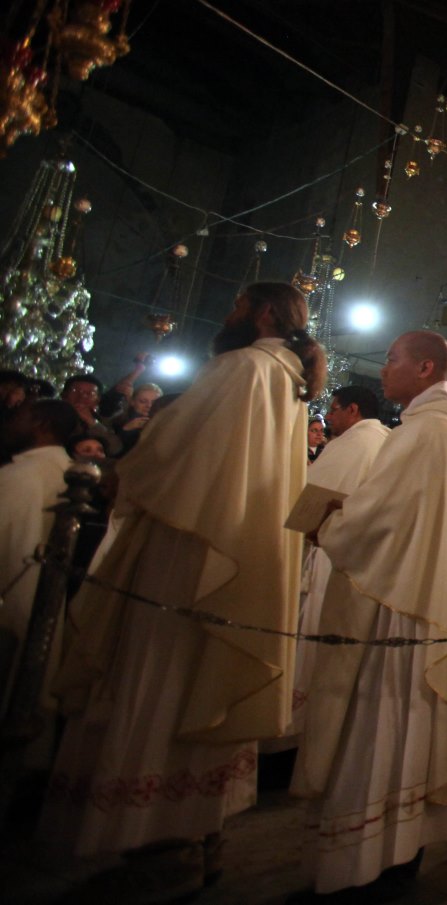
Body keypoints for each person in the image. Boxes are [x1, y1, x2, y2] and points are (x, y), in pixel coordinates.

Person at [42, 282, 325, 901]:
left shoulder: (245, 368)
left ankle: (160, 845)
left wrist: (123, 469)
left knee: (164, 682)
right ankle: (198, 834)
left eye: (239, 304)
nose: (230, 313)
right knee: (197, 683)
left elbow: (172, 451)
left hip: (190, 550)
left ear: (265, 313)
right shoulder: (285, 379)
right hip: (224, 547)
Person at [293, 332, 447, 896]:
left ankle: (361, 867)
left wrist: (328, 524)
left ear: (425, 368)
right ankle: (402, 852)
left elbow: (376, 520)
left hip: (398, 612)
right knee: (413, 732)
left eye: (392, 360)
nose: (383, 370)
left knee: (377, 731)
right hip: (436, 606)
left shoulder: (425, 431)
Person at [269, 386, 390, 755]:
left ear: (353, 409)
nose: (330, 418)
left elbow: (310, 499)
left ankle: (291, 730)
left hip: (325, 555)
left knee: (309, 640)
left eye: (334, 410)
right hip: (362, 560)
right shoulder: (386, 440)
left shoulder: (352, 444)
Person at [0, 398, 79, 762]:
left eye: (18, 417)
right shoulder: (65, 469)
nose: (8, 423)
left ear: (42, 423)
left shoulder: (22, 476)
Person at [61, 374, 122, 458]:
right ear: (64, 395)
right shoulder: (50, 416)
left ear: (97, 400)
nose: (82, 396)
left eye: (90, 393)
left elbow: (114, 448)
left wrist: (92, 422)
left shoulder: (102, 421)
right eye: (75, 391)